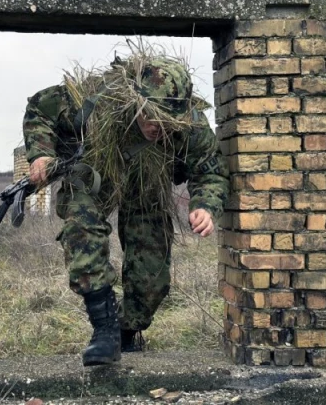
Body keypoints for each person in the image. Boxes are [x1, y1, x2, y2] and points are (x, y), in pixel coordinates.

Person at [22, 50, 230, 367]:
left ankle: (125, 333)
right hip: (95, 176)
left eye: (167, 122)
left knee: (152, 279)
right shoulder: (96, 97)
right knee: (83, 230)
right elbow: (40, 108)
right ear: (135, 100)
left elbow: (210, 172)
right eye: (151, 116)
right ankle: (104, 331)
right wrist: (40, 153)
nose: (157, 127)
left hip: (148, 185)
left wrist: (204, 206)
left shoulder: (193, 125)